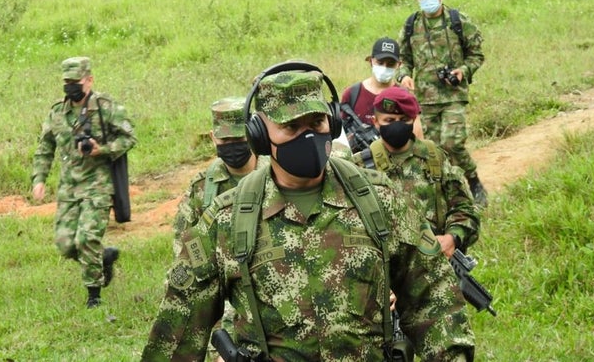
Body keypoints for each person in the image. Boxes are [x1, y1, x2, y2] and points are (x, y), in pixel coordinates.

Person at [141, 62, 474, 361]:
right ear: (260, 135)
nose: (309, 135)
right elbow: (177, 334)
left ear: (333, 122)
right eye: (291, 126)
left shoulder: (379, 200)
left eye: (316, 121)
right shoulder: (227, 220)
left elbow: (435, 299)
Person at [31, 56, 136, 309]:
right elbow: (45, 148)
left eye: (75, 82)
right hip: (69, 187)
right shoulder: (57, 113)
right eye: (66, 82)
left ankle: (94, 296)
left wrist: (103, 149)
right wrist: (39, 179)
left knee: (86, 239)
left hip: (97, 185)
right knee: (65, 244)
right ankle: (102, 259)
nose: (71, 87)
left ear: (89, 80)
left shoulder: (105, 107)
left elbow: (129, 137)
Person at [173, 97, 268, 362]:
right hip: (223, 293)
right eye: (225, 140)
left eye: (239, 139)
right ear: (214, 138)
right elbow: (185, 250)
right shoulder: (203, 189)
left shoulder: (276, 177)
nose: (233, 146)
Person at [356, 86, 480, 259]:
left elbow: (465, 207)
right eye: (389, 120)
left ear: (413, 120)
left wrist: (452, 237)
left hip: (435, 260)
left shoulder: (434, 157)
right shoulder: (360, 166)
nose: (397, 125)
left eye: (404, 119)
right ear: (375, 122)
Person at [397, 0, 488, 207]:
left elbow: (476, 55)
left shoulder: (459, 21)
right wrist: (404, 75)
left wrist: (463, 71)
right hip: (425, 100)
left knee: (452, 142)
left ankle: (473, 180)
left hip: (453, 96)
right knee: (434, 151)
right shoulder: (411, 25)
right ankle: (450, 194)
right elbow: (403, 59)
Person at [341, 36, 424, 150]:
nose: (384, 67)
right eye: (380, 62)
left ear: (398, 65)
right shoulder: (352, 93)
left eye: (390, 64)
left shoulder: (405, 96)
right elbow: (340, 135)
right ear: (371, 61)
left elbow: (418, 139)